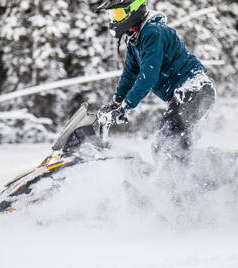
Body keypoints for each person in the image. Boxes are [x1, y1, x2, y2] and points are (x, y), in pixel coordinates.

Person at [91, 0, 216, 161]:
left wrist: (125, 107)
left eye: (117, 14)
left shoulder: (153, 32)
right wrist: (115, 104)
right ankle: (191, 175)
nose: (114, 20)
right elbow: (129, 75)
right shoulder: (135, 41)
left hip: (196, 89)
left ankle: (192, 177)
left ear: (133, 11)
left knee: (169, 143)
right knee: (163, 147)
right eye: (112, 15)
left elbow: (148, 75)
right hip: (185, 94)